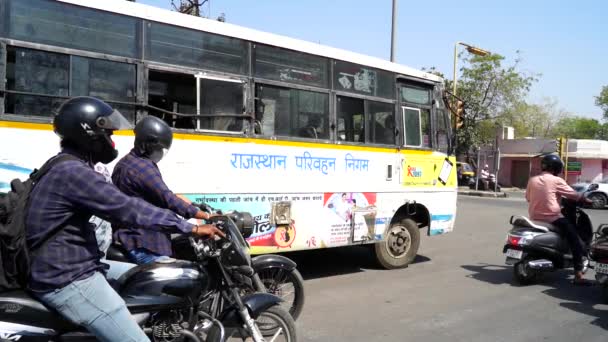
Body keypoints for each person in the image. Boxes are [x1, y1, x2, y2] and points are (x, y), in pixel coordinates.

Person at [26, 97, 224, 342]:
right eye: (108, 134)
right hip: (67, 277)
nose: (112, 141)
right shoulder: (75, 173)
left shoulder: (62, 164)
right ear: (89, 133)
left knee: (148, 276)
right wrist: (191, 228)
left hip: (71, 263)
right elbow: (130, 209)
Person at [112, 115, 215, 265]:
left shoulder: (128, 162)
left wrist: (191, 204)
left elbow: (158, 194)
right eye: (160, 148)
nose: (161, 153)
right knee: (180, 280)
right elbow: (168, 199)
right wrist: (206, 216)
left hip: (132, 236)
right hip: (143, 242)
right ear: (149, 145)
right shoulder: (142, 167)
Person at [525, 154, 593, 285]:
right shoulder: (557, 181)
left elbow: (528, 198)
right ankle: (578, 275)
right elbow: (574, 195)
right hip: (553, 218)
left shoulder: (532, 180)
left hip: (534, 218)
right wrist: (586, 199)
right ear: (557, 168)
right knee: (575, 240)